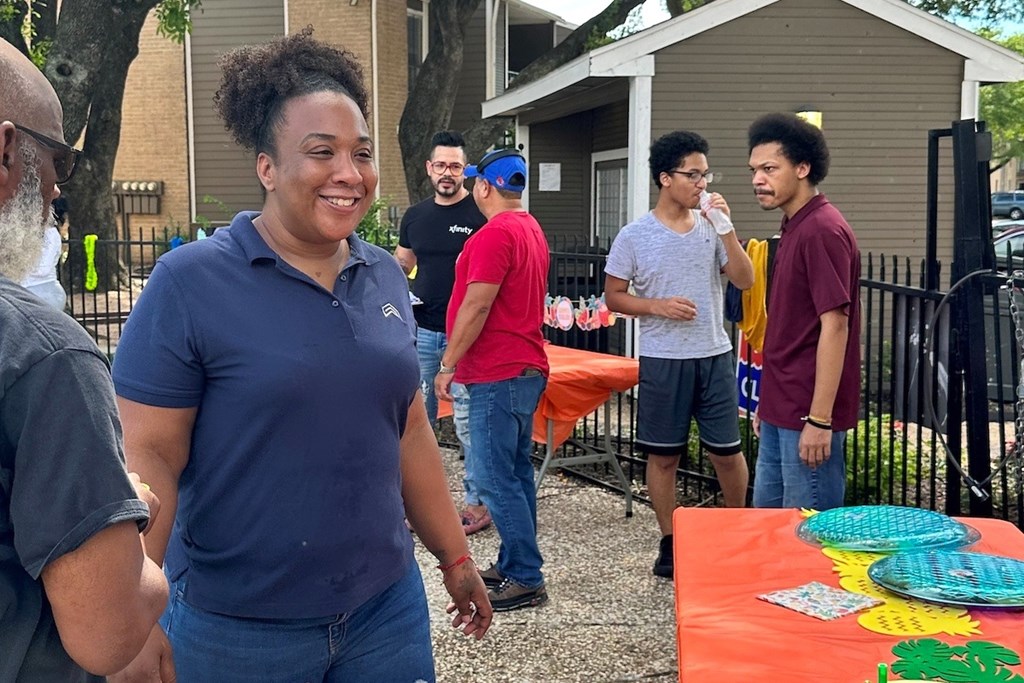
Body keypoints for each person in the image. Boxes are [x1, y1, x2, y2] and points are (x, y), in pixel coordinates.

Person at [110, 29, 491, 682]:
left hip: (385, 614)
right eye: (322, 152)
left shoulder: (384, 277)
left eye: (361, 153)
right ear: (266, 166)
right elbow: (148, 459)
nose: (350, 173)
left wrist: (454, 557)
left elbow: (407, 427)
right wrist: (132, 615)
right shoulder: (190, 283)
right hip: (234, 630)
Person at [0, 38, 168, 681]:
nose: (54, 196)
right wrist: (129, 528)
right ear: (7, 149)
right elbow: (107, 632)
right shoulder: (43, 358)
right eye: (59, 164)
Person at [604, 130, 755, 579]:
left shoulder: (712, 227)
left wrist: (727, 231)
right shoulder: (635, 236)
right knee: (663, 456)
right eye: (694, 174)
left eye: (706, 174)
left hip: (713, 353)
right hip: (663, 357)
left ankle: (735, 528)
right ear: (666, 178)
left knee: (727, 452)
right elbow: (613, 296)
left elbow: (745, 280)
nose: (702, 183)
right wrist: (656, 306)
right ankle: (670, 540)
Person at [434, 148, 551, 612]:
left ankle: (525, 575)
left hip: (497, 371)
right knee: (516, 473)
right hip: (523, 368)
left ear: (483, 185)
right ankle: (515, 562)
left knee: (494, 476)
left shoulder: (494, 234)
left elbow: (477, 305)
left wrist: (447, 365)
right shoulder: (529, 227)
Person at [747, 112, 861, 511]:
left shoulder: (822, 230)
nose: (758, 179)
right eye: (755, 169)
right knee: (767, 531)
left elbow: (836, 326)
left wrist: (820, 419)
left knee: (807, 540)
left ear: (802, 168)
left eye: (769, 168)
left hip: (809, 417)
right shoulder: (794, 225)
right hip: (782, 407)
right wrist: (768, 403)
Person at [396, 130, 491, 535]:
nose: (447, 173)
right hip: (422, 333)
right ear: (429, 169)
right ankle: (421, 506)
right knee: (417, 425)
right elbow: (402, 264)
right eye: (441, 165)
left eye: (455, 166)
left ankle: (476, 504)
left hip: (467, 338)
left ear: (464, 170)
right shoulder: (415, 216)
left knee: (468, 424)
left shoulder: (481, 213)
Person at [20, 224, 66, 310]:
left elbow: (43, 270)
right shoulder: (21, 231)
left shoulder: (50, 233)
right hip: (22, 292)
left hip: (45, 294)